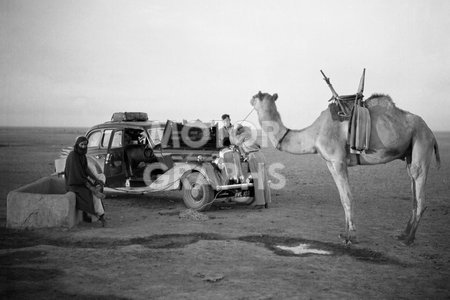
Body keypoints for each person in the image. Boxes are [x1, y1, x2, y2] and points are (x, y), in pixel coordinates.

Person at [64, 136, 107, 226]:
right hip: (74, 185)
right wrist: (92, 188)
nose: (83, 147)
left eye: (85, 145)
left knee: (100, 180)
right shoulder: (73, 156)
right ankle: (101, 216)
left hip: (82, 181)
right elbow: (77, 176)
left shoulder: (82, 156)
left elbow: (86, 170)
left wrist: (96, 179)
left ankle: (100, 214)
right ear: (77, 145)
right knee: (93, 195)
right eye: (82, 144)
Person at [230, 124, 271, 208]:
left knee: (258, 180)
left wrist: (232, 134)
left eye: (237, 130)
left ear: (239, 130)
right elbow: (258, 145)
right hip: (260, 155)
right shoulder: (249, 135)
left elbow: (236, 142)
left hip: (254, 157)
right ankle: (266, 202)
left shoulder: (243, 135)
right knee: (264, 180)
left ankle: (260, 203)